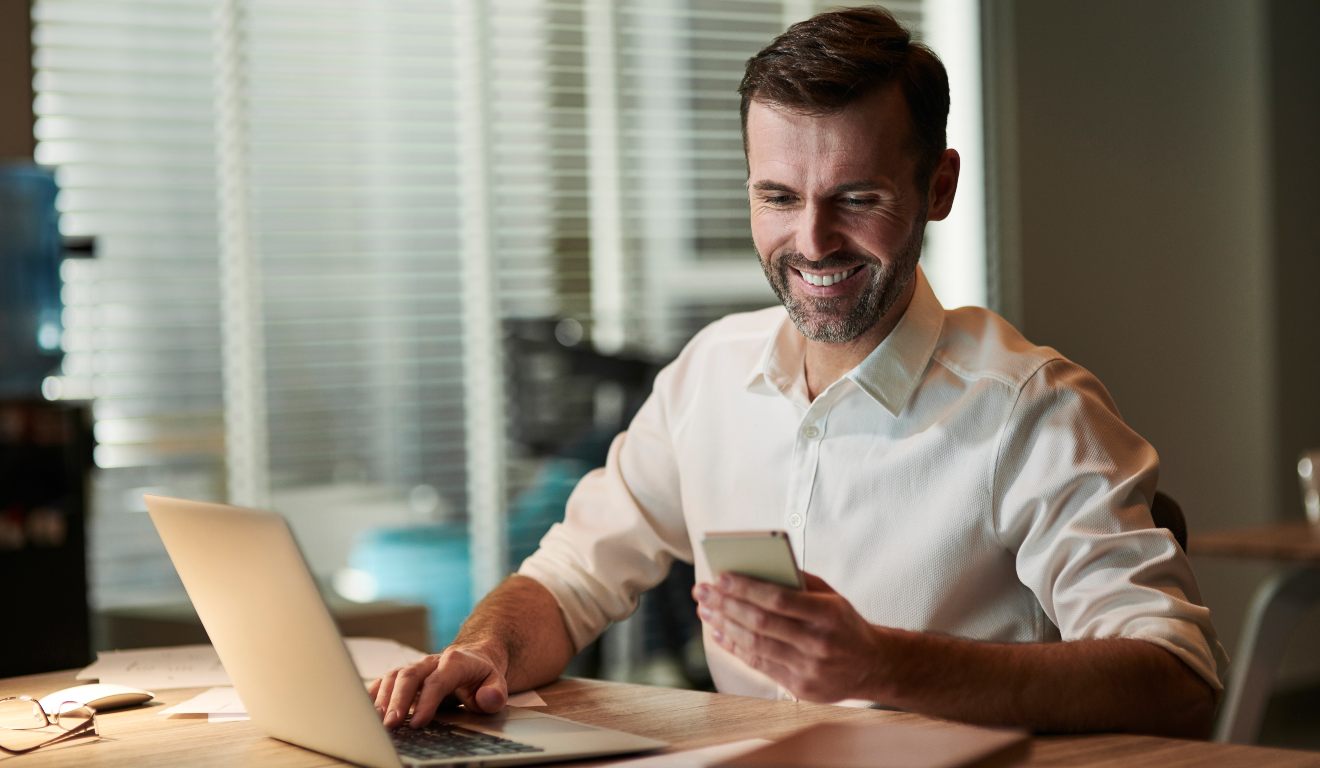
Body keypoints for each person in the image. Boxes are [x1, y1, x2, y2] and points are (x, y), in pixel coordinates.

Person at [370, 6, 1225, 737]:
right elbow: (568, 580)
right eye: (778, 197)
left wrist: (886, 665)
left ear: (938, 186)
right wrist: (483, 652)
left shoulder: (1029, 410)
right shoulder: (710, 375)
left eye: (857, 198)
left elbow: (1179, 678)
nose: (812, 244)